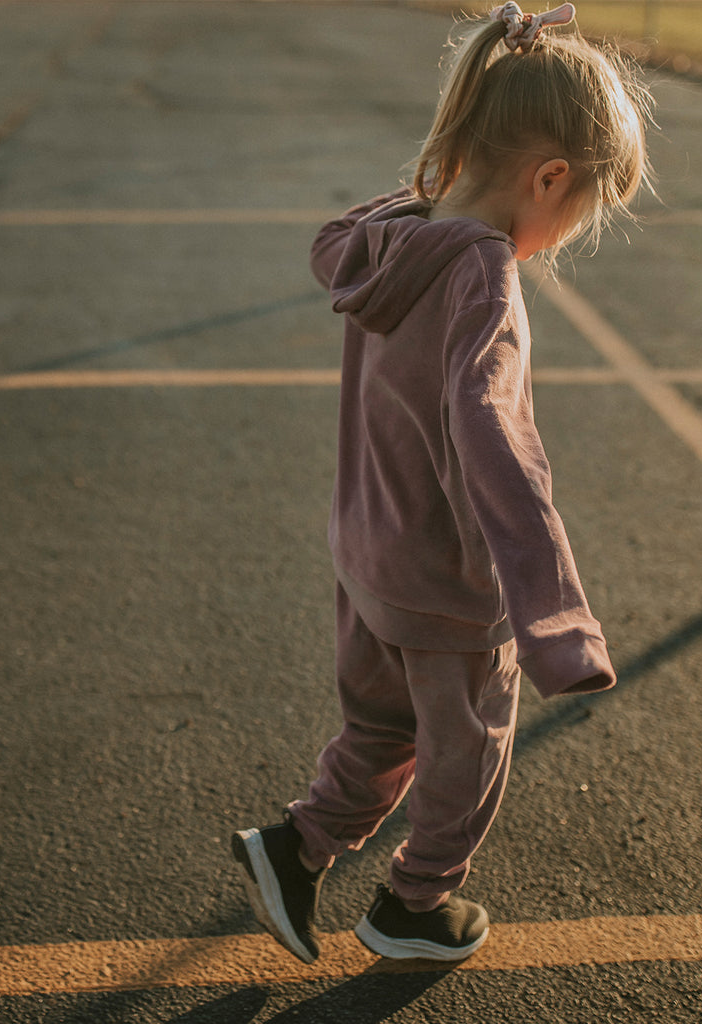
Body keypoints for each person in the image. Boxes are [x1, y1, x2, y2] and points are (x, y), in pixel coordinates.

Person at [232, 1, 654, 964]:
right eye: (580, 208)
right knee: (468, 748)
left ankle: (297, 849)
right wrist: (555, 620)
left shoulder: (391, 240)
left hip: (369, 557)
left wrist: (446, 181)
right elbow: (497, 439)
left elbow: (356, 227)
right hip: (448, 581)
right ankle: (417, 906)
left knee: (382, 725)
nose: (565, 233)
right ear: (549, 177)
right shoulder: (484, 277)